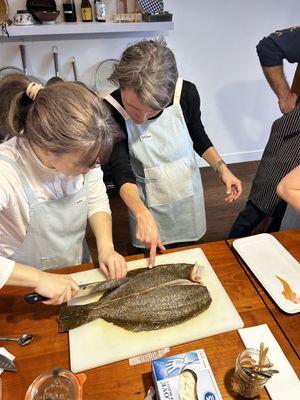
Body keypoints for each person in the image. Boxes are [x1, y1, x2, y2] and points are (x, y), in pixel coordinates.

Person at [103, 39, 242, 264]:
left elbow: (197, 134)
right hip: (145, 202)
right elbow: (120, 169)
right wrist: (140, 212)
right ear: (121, 84)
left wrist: (221, 168)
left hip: (187, 196)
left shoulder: (185, 93)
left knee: (189, 258)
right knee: (150, 262)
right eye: (133, 107)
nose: (140, 119)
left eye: (152, 111)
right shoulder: (111, 107)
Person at [0, 74, 127, 305]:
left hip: (74, 274)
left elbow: (96, 197)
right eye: (82, 165)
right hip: (19, 290)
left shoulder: (85, 152)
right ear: (48, 150)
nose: (90, 169)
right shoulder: (5, 172)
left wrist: (106, 248)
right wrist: (38, 278)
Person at [229, 26, 300, 239]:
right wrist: (285, 96)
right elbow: (269, 47)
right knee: (263, 202)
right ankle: (232, 250)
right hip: (296, 133)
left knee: (286, 214)